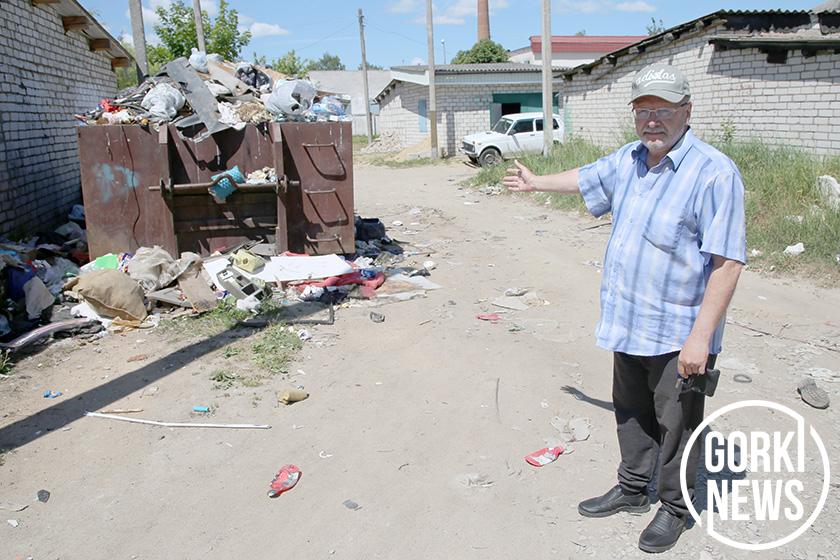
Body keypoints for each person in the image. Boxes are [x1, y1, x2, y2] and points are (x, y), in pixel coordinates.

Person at [502, 63, 746, 554]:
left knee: (678, 425)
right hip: (629, 321)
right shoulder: (631, 159)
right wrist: (536, 182)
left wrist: (700, 338)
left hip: (679, 332)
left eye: (663, 111)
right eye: (643, 111)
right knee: (631, 413)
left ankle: (676, 508)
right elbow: (587, 176)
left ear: (687, 112)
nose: (652, 121)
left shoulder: (714, 172)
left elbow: (728, 263)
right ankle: (634, 488)